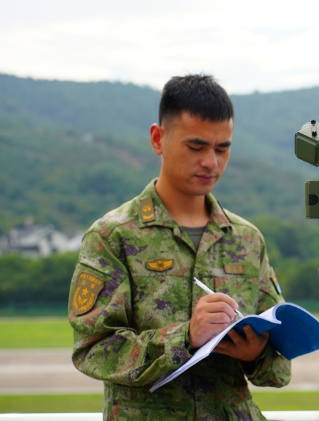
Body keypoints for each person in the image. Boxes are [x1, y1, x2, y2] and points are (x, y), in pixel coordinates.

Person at [68, 74, 290, 420]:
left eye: (222, 148)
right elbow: (93, 349)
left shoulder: (246, 239)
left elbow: (279, 368)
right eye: (196, 146)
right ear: (158, 139)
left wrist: (255, 355)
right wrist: (185, 336)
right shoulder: (113, 236)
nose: (211, 163)